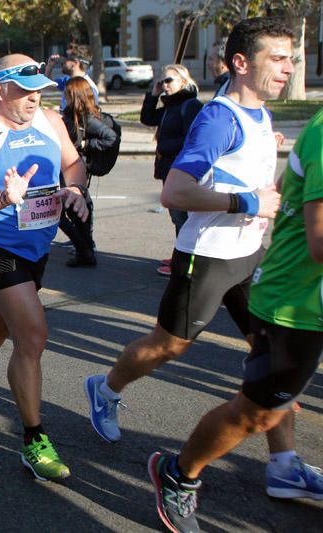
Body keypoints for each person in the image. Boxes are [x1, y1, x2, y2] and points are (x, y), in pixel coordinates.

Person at [83, 17, 323, 514]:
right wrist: (249, 204)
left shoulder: (258, 115)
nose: (289, 68)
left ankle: (283, 466)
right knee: (166, 345)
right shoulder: (220, 117)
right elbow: (176, 191)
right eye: (277, 58)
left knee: (272, 356)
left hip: (250, 256)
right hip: (209, 257)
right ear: (241, 63)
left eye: (291, 58)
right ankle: (105, 389)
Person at [0, 54, 89, 481]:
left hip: (38, 245)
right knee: (32, 336)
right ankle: (33, 439)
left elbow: (74, 162)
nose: (34, 97)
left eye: (38, 89)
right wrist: (6, 198)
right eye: (24, 89)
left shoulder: (51, 120)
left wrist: (74, 188)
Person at [140, 64, 204, 276]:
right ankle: (182, 254)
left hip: (181, 169)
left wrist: (165, 147)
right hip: (168, 167)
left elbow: (191, 139)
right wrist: (152, 95)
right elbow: (147, 118)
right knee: (177, 216)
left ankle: (188, 260)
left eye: (169, 81)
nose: (165, 85)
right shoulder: (170, 106)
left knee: (183, 217)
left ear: (183, 82)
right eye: (163, 81)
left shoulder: (190, 105)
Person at [59, 76, 117, 267]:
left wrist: (85, 144)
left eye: (67, 93)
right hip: (71, 166)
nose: (64, 96)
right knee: (75, 209)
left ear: (74, 95)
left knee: (67, 210)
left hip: (76, 167)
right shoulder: (71, 114)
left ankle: (85, 248)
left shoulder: (87, 117)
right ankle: (85, 248)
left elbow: (110, 137)